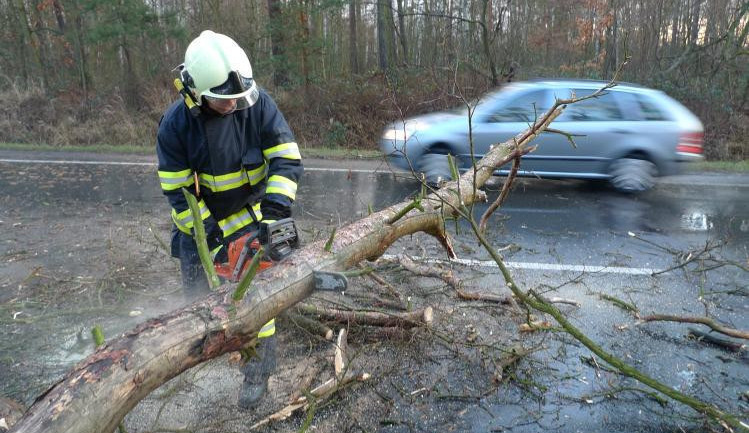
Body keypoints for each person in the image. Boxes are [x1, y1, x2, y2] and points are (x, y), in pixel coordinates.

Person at [156, 30, 303, 409]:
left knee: (259, 304)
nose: (235, 104)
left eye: (240, 97)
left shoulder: (258, 106)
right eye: (225, 100)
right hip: (200, 227)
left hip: (252, 213)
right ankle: (199, 376)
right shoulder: (175, 128)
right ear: (196, 94)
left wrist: (274, 214)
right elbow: (179, 196)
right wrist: (212, 240)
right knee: (198, 304)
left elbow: (286, 158)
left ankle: (257, 373)